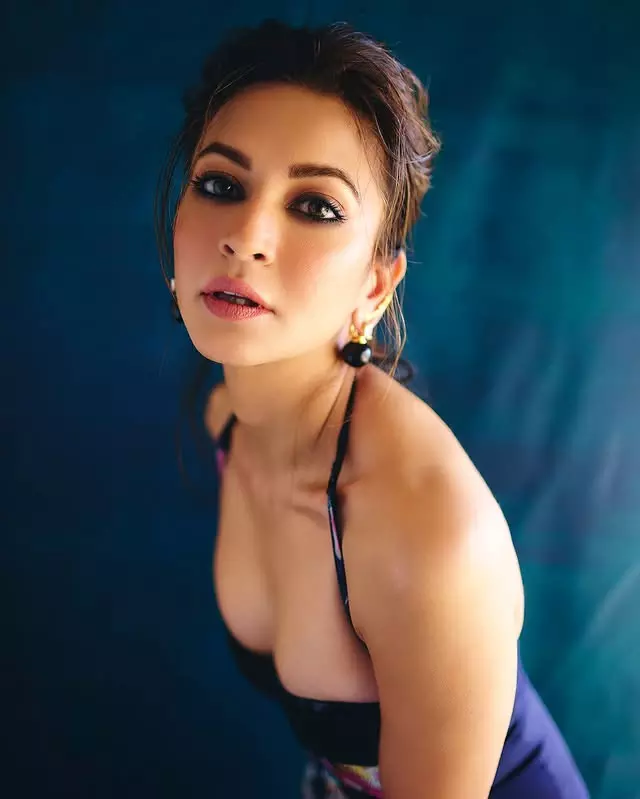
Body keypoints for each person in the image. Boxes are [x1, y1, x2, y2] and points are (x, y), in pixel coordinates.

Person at [156, 19, 590, 798]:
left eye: (315, 206)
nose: (246, 236)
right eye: (221, 185)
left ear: (376, 285)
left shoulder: (427, 531)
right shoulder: (230, 418)